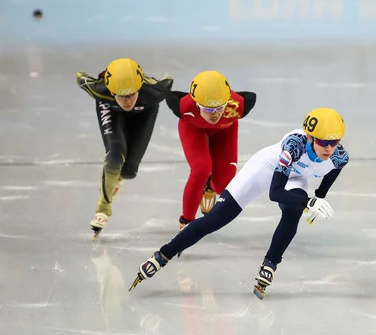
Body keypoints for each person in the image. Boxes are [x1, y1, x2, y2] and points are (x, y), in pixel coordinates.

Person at [128, 108, 349, 300]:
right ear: (310, 138)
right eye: (322, 141)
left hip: (294, 177)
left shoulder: (339, 156)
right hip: (263, 171)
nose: (328, 148)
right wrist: (308, 201)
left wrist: (319, 195)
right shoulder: (294, 146)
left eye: (334, 142)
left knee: (293, 213)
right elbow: (275, 192)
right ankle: (162, 255)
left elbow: (333, 171)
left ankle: (270, 264)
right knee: (214, 219)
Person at [76, 58, 174, 240]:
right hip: (110, 110)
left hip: (145, 112)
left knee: (129, 171)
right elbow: (80, 78)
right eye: (122, 96)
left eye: (131, 95)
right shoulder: (99, 90)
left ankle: (117, 176)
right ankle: (103, 208)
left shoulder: (154, 93)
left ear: (138, 89)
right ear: (112, 91)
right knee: (115, 155)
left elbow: (167, 83)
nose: (128, 100)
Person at [164, 71, 257, 229]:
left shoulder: (239, 106)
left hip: (225, 131)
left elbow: (251, 96)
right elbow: (172, 96)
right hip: (193, 128)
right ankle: (186, 220)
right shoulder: (183, 107)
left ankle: (209, 186)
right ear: (196, 102)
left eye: (220, 108)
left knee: (224, 186)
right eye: (207, 109)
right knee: (201, 169)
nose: (214, 114)